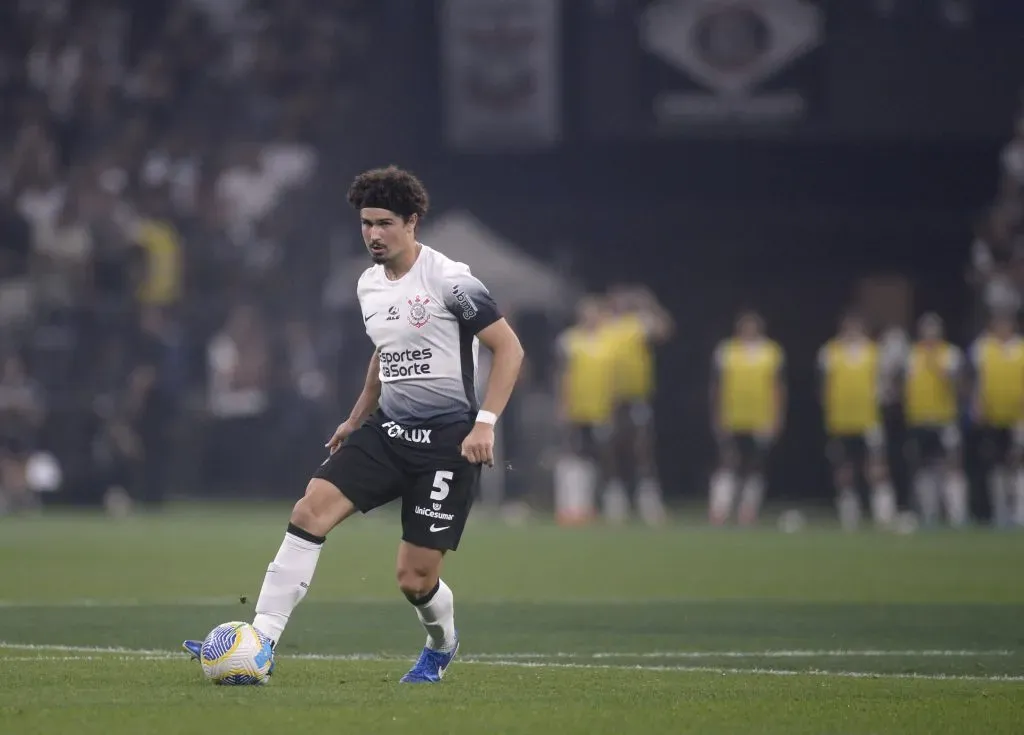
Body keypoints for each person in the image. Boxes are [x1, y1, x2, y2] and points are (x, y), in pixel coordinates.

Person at [183, 166, 525, 683]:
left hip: (447, 443)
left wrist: (485, 424)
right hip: (387, 431)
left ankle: (442, 644)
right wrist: (354, 418)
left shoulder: (450, 280)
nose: (373, 234)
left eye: (384, 223)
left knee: (414, 579)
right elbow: (384, 356)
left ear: (412, 222)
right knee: (310, 509)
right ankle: (262, 642)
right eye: (366, 223)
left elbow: (509, 348)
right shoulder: (367, 284)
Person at [818, 312, 896, 530]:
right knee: (844, 468)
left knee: (876, 467)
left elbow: (886, 385)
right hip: (840, 422)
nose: (851, 332)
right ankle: (849, 515)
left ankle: (884, 514)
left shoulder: (875, 352)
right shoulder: (830, 352)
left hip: (869, 421)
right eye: (848, 327)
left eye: (856, 327)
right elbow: (824, 387)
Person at [603, 284, 673, 524]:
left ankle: (649, 502)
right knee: (611, 452)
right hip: (609, 400)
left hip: (635, 398)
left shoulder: (639, 323)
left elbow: (664, 330)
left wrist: (649, 304)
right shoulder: (605, 325)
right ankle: (616, 502)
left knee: (642, 450)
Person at [708, 311, 786, 526]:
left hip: (760, 417)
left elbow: (777, 387)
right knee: (727, 461)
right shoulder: (726, 350)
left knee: (755, 465)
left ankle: (748, 510)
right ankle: (720, 509)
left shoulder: (771, 352)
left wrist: (777, 416)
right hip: (732, 416)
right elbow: (717, 386)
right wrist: (717, 413)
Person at [552, 295, 618, 525]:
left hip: (599, 409)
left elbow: (612, 378)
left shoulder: (609, 342)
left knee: (594, 459)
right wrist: (563, 404)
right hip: (576, 409)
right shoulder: (569, 340)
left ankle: (587, 505)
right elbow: (563, 375)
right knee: (572, 456)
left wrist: (611, 405)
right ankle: (568, 506)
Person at [900, 313, 968, 527]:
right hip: (919, 420)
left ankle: (957, 516)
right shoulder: (911, 355)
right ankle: (929, 514)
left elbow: (961, 386)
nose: (930, 335)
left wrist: (944, 373)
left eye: (934, 330)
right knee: (923, 467)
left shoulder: (950, 354)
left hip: (944, 419)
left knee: (952, 465)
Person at [969, 311, 1024, 527]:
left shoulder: (1021, 348)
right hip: (992, 417)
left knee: (1018, 464)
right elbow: (976, 378)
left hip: (1019, 418)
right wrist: (977, 403)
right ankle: (999, 511)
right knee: (996, 466)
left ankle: (1019, 511)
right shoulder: (983, 348)